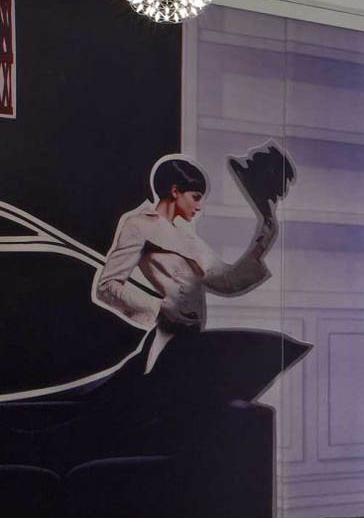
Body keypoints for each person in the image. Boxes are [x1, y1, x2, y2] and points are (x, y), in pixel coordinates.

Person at [94, 154, 277, 373]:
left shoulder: (188, 237)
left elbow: (228, 281)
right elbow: (107, 286)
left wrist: (264, 240)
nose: (199, 206)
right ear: (175, 191)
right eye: (196, 197)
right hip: (167, 341)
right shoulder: (140, 224)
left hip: (194, 339)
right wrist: (160, 308)